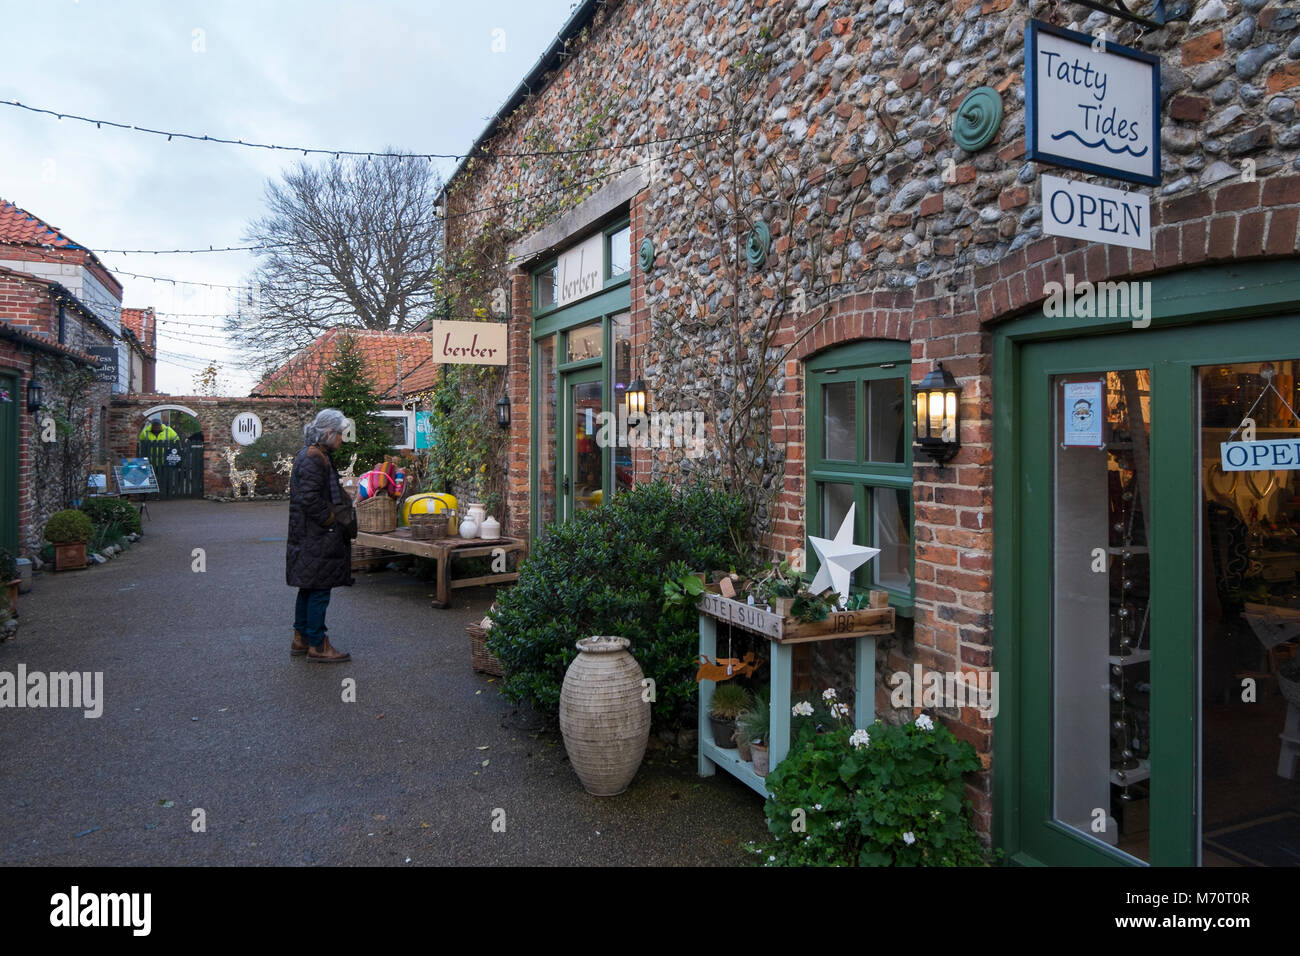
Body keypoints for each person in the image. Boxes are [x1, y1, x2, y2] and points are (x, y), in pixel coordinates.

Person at [286, 409, 356, 662]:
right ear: (328, 433)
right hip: (316, 535)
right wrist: (331, 520)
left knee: (309, 587)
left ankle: (301, 639)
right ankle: (318, 644)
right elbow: (309, 498)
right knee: (319, 590)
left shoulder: (314, 454)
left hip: (308, 534)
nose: (341, 439)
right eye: (339, 434)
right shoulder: (314, 458)